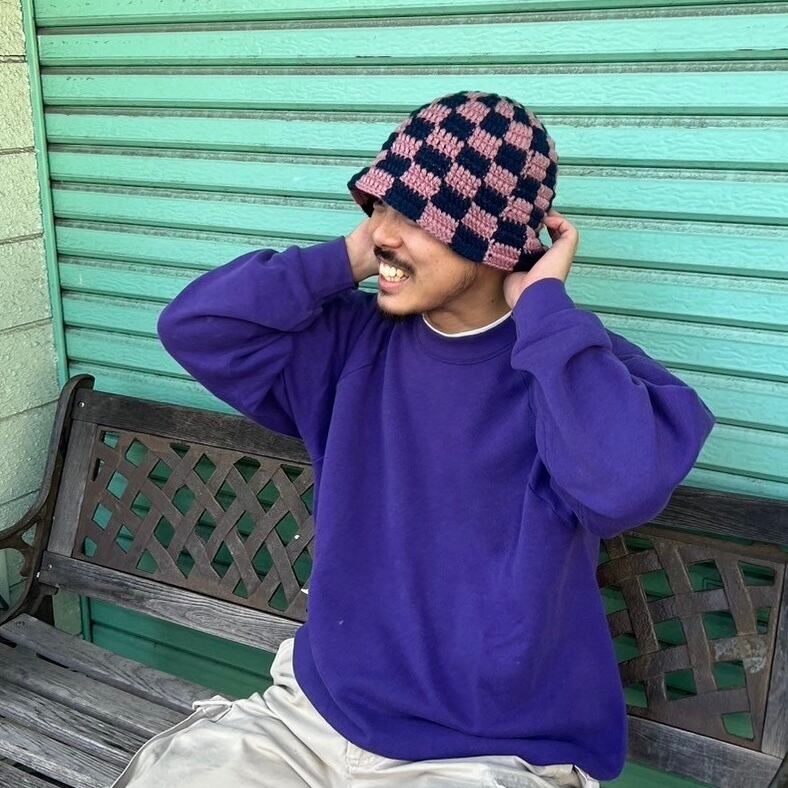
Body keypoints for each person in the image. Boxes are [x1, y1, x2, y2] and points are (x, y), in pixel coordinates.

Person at [111, 90, 716, 787]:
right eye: (378, 207)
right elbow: (196, 328)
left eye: (414, 216)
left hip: (491, 748)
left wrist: (545, 310)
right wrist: (350, 256)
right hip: (316, 718)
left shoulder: (571, 365)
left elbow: (621, 487)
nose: (382, 233)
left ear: (492, 241)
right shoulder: (349, 344)